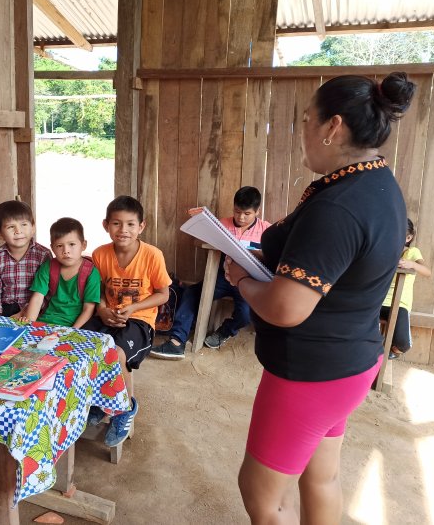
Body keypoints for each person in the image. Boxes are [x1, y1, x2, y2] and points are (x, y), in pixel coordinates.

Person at [223, 72, 416, 523]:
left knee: (263, 496)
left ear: (332, 127)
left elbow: (288, 307)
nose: (303, 132)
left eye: (306, 120)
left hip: (310, 373)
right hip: (350, 363)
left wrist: (242, 281)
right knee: (321, 478)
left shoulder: (339, 206)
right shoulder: (377, 184)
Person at [84, 196, 171, 447]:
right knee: (83, 346)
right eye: (117, 224)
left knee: (116, 353)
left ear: (141, 226)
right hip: (108, 315)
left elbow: (163, 294)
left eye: (131, 224)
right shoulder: (100, 254)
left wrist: (133, 308)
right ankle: (102, 402)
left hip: (139, 320)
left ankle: (124, 408)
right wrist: (101, 309)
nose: (123, 230)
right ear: (105, 225)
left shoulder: (153, 255)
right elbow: (98, 289)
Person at [150, 186, 271, 360]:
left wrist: (254, 252)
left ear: (257, 211)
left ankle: (226, 330)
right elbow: (199, 242)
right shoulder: (222, 224)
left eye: (247, 213)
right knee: (192, 293)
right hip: (222, 277)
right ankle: (177, 341)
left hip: (247, 280)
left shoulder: (266, 230)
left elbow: (273, 255)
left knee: (246, 314)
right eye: (237, 212)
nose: (241, 217)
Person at [23, 217, 101, 328]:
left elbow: (88, 309)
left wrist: (72, 331)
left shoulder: (91, 272)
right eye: (59, 246)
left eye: (72, 244)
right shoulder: (48, 267)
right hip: (46, 321)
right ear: (52, 248)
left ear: (83, 245)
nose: (66, 251)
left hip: (77, 326)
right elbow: (37, 298)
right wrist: (29, 325)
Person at [0, 200, 51, 317]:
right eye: (11, 227)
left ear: (33, 227)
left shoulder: (43, 254)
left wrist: (25, 312)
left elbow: (46, 293)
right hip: (5, 308)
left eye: (24, 224)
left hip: (35, 309)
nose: (18, 231)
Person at [381, 218, 431, 359]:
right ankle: (375, 354)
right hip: (378, 300)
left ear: (408, 237)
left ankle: (391, 351)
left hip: (399, 304)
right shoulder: (385, 250)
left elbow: (427, 272)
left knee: (403, 344)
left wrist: (412, 264)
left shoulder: (413, 252)